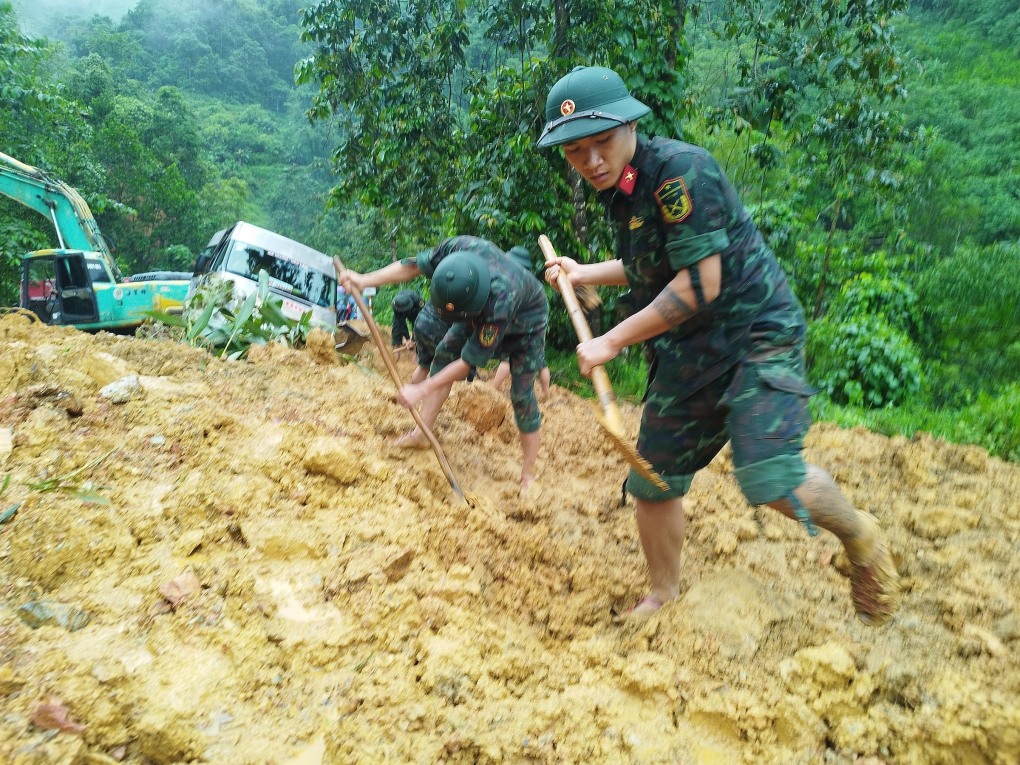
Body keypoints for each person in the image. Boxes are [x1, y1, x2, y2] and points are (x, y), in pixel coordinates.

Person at [537, 65, 900, 625]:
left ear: (631, 124)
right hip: (689, 351)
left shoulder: (683, 174)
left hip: (754, 336)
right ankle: (663, 595)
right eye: (576, 151)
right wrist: (585, 272)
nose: (591, 161)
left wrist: (609, 340)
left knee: (769, 477)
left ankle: (860, 533)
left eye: (602, 141)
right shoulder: (623, 191)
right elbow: (651, 266)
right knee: (652, 479)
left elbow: (699, 284)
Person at [336, 236, 549, 493]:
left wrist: (422, 388)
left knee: (522, 395)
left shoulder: (500, 302)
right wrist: (364, 279)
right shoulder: (459, 248)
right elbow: (413, 265)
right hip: (474, 304)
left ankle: (528, 475)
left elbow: (468, 362)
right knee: (444, 352)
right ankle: (421, 434)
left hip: (527, 324)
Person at [490, 246, 551, 397]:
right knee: (540, 360)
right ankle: (547, 393)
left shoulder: (513, 282)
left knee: (507, 358)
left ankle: (492, 388)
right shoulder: (534, 284)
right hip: (539, 325)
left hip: (524, 325)